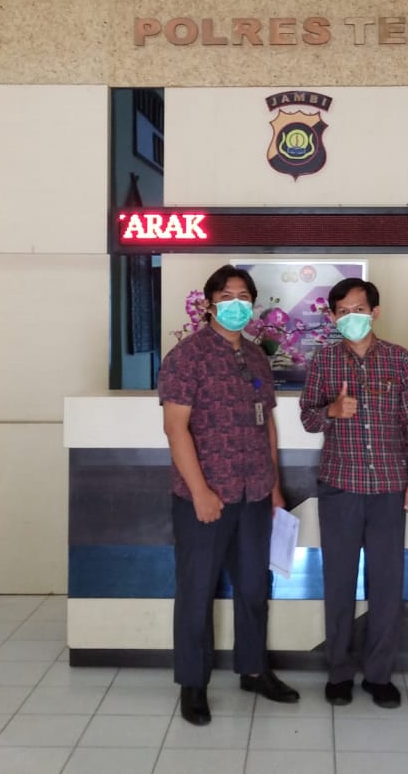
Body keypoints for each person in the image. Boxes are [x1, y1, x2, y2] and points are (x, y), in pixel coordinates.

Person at [158, 264, 299, 726]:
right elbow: (175, 428)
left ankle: (254, 670)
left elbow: (267, 424)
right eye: (226, 297)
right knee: (196, 592)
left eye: (243, 298)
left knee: (255, 588)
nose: (236, 305)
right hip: (206, 497)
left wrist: (273, 486)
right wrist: (200, 492)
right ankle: (193, 684)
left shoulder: (256, 356)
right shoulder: (187, 357)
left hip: (254, 493)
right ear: (209, 304)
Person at [298, 278, 408, 709]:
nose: (351, 317)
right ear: (332, 316)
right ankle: (339, 673)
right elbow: (307, 418)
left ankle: (379, 675)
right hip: (340, 486)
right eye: (343, 311)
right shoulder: (323, 360)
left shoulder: (398, 358)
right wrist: (331, 411)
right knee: (338, 581)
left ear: (375, 312)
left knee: (386, 583)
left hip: (389, 488)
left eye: (359, 309)